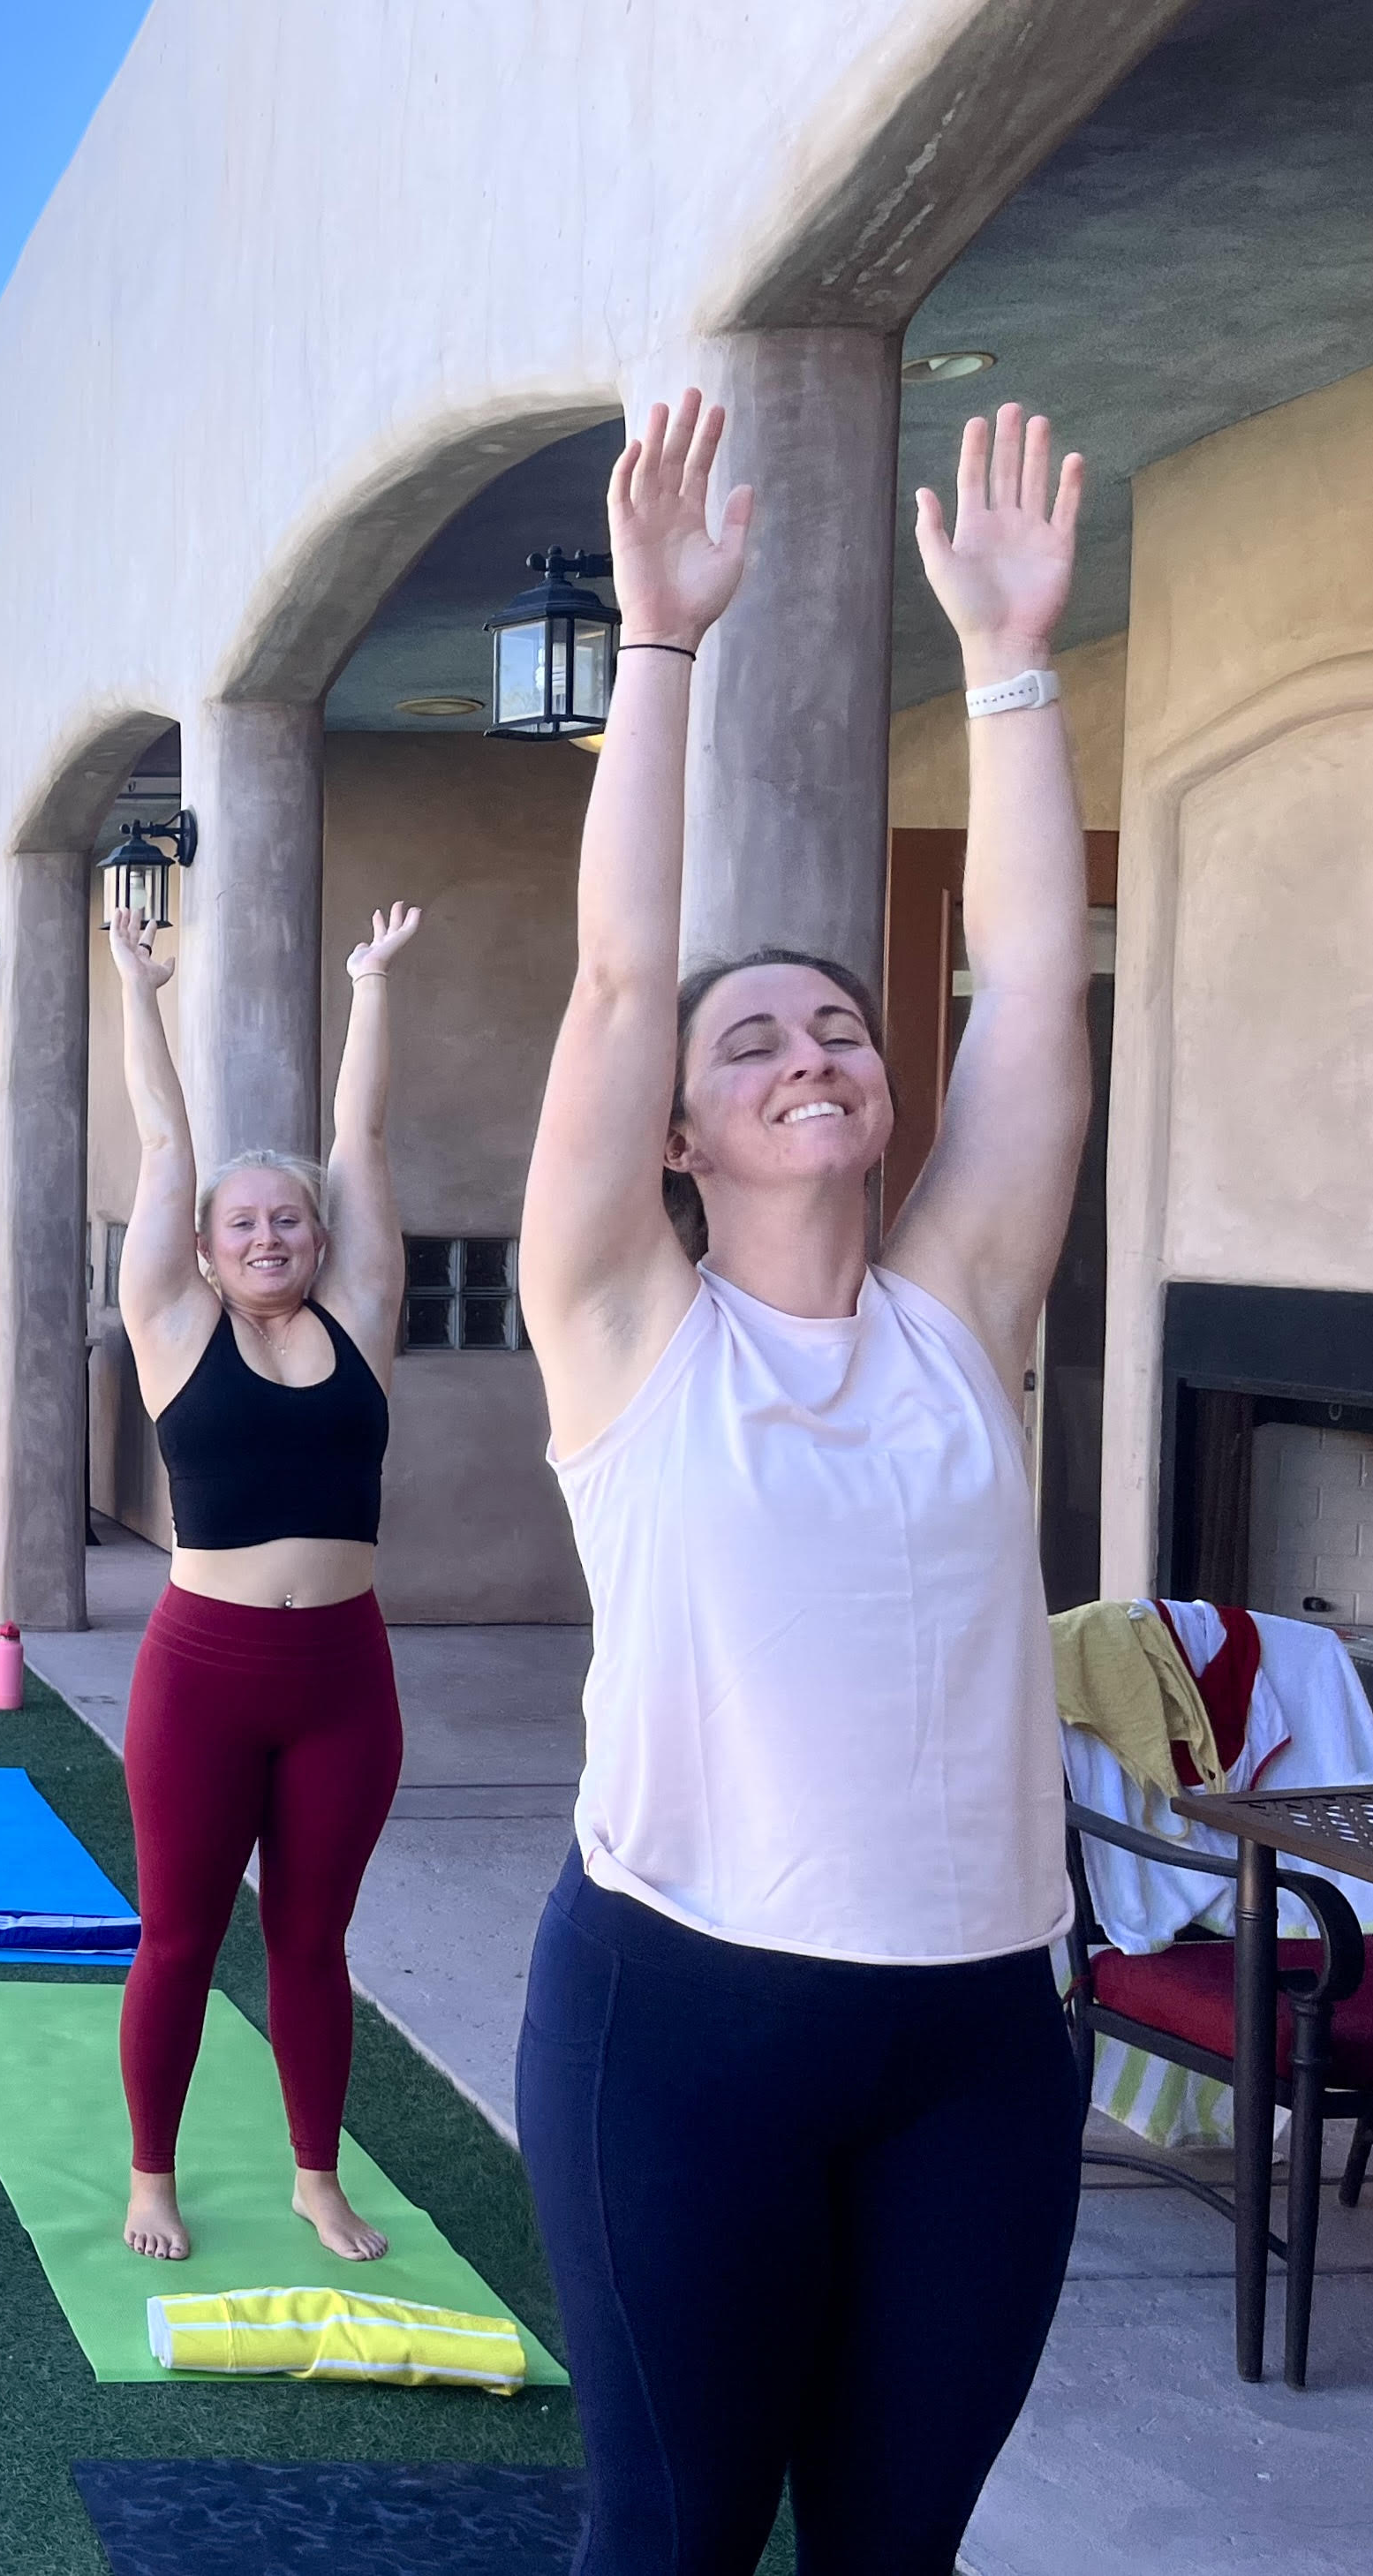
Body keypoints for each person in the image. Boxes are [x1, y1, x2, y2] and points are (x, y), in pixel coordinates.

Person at [516, 395, 1090, 2573]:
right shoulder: (629, 1333)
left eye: (837, 1027)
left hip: (973, 2036)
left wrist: (1011, 664)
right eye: (747, 1040)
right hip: (678, 2019)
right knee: (666, 2532)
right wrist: (654, 650)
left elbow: (1033, 978)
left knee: (890, 2549)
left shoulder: (959, 1313)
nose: (807, 1052)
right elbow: (606, 980)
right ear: (675, 1132)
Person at [108, 884, 423, 2268]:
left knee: (314, 1940)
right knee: (177, 1938)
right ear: (203, 1246)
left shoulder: (360, 1316)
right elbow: (166, 1138)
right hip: (206, 1675)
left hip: (343, 1678)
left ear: (317, 1234)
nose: (265, 1237)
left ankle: (314, 2175)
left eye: (286, 1219)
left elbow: (359, 1138)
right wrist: (136, 985)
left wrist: (370, 986)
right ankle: (153, 2173)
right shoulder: (172, 1325)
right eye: (240, 1224)